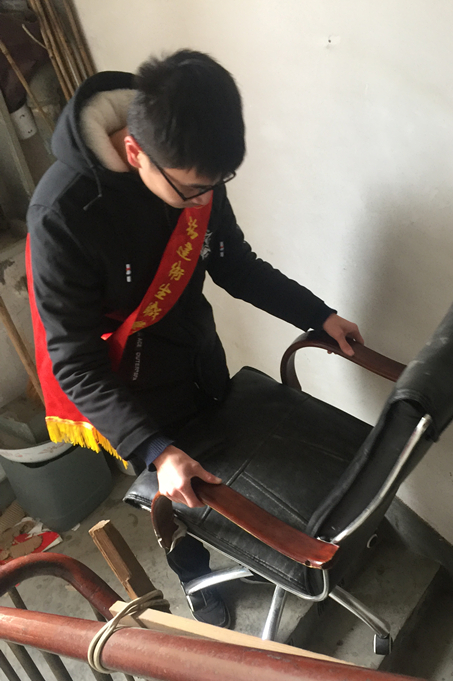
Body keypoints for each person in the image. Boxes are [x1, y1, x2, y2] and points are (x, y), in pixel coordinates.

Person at [27, 49, 362, 627]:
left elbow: (233, 264)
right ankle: (194, 575)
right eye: (191, 191)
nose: (204, 202)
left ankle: (245, 547)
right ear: (135, 152)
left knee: (222, 463)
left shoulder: (193, 158)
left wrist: (317, 315)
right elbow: (75, 361)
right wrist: (156, 450)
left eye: (216, 185)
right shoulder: (62, 214)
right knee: (175, 492)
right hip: (127, 385)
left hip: (196, 348)